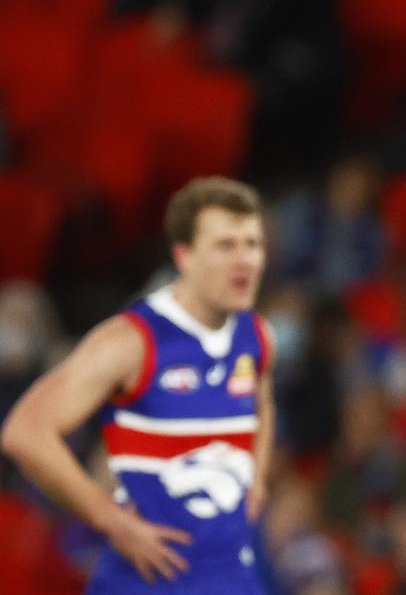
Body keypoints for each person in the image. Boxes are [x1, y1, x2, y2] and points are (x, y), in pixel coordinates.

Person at [1, 177, 275, 593]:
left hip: (230, 577)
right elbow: (26, 431)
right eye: (226, 246)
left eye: (252, 244)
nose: (245, 261)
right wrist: (110, 519)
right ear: (185, 256)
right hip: (147, 579)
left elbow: (261, 404)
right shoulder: (131, 341)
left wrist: (256, 478)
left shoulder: (255, 334)